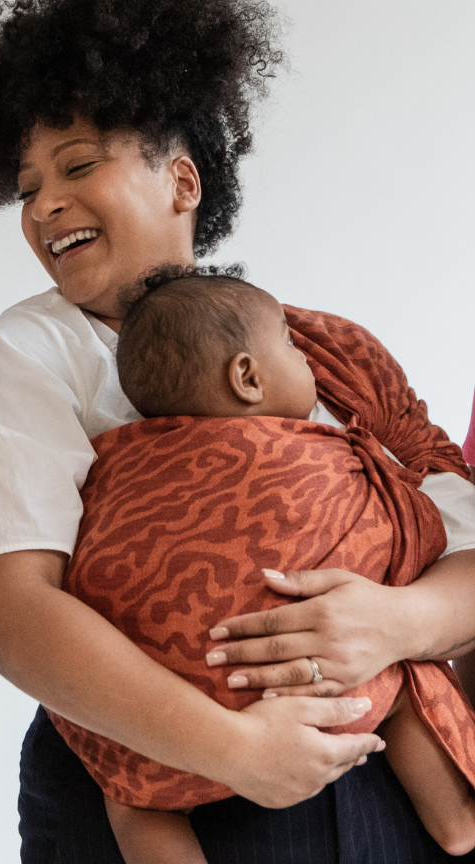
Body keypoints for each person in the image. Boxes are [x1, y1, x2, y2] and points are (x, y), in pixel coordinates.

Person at [0, 0, 475, 861]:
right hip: (159, 769)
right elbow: (9, 610)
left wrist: (400, 622)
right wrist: (236, 750)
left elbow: (458, 518)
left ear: (182, 182)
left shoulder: (317, 350)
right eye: (27, 189)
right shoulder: (23, 358)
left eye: (76, 167)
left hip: (371, 776)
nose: (44, 207)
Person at [61, 270, 475, 862]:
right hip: (325, 695)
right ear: (248, 377)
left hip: (166, 717)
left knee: (133, 798)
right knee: (406, 672)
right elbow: (409, 531)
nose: (304, 356)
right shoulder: (324, 459)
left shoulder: (120, 463)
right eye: (288, 344)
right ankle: (458, 818)